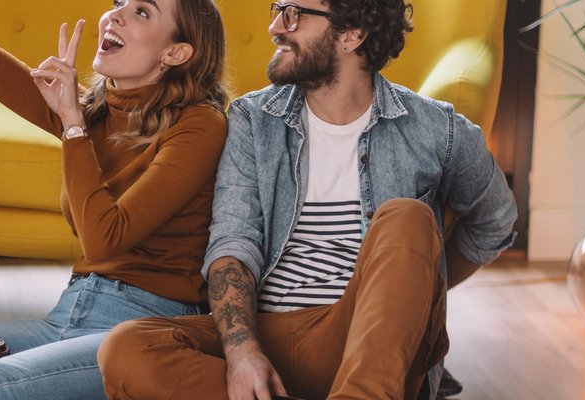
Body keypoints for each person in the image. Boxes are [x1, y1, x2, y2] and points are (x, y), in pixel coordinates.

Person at [97, 0, 517, 399]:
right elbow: (232, 245)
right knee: (128, 348)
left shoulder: (436, 129)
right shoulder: (252, 120)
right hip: (273, 335)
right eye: (278, 10)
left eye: (294, 14)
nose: (275, 26)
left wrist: (418, 289)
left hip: (370, 337)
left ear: (352, 33)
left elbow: (495, 220)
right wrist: (243, 353)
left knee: (407, 218)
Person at [0, 0, 228, 398]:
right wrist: (76, 116)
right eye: (119, 2)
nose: (116, 14)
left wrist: (72, 124)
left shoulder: (200, 125)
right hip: (66, 316)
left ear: (175, 52)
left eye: (142, 11)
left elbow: (105, 239)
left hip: (138, 332)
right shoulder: (95, 112)